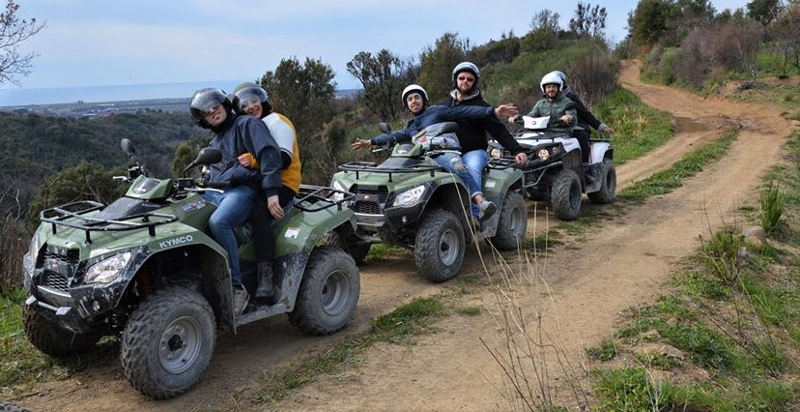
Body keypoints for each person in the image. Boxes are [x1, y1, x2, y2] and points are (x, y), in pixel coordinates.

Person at [352, 84, 519, 223]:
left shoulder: (437, 111)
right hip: (423, 158)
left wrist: (493, 111)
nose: (413, 101)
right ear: (407, 105)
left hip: (443, 152)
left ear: (424, 100)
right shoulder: (411, 126)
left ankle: (480, 203)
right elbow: (394, 135)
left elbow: (465, 111)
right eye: (409, 99)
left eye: (416, 97)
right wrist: (371, 142)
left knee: (459, 167)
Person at [189, 87, 283, 315]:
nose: (212, 111)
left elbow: (270, 155)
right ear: (203, 119)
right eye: (206, 111)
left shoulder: (247, 124)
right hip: (216, 191)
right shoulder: (215, 142)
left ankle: (236, 286)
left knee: (219, 221)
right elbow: (211, 173)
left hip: (242, 190)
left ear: (224, 104)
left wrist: (272, 192)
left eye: (215, 105)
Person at [230, 82, 301, 301]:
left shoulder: (277, 122)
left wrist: (251, 160)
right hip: (257, 183)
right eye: (245, 104)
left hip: (283, 184)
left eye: (254, 100)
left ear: (263, 100)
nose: (251, 106)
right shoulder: (247, 128)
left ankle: (266, 278)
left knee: (258, 212)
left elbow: (283, 159)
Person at [438, 62, 528, 220]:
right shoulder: (444, 106)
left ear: (474, 82)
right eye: (461, 78)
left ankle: (475, 215)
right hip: (447, 152)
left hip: (473, 152)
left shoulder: (482, 107)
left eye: (469, 79)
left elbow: (499, 131)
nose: (465, 81)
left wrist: (517, 150)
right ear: (455, 80)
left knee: (471, 169)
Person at [546, 70, 614, 162]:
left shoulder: (570, 97)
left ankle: (584, 164)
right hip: (555, 129)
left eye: (554, 85)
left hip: (577, 126)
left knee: (581, 136)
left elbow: (584, 113)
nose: (551, 88)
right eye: (549, 86)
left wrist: (601, 127)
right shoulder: (546, 101)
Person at [510, 72, 577, 135]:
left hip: (563, 134)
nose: (551, 89)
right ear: (544, 89)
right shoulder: (540, 104)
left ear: (559, 88)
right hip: (543, 135)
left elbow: (573, 118)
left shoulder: (567, 102)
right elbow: (530, 117)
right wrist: (517, 118)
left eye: (554, 86)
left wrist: (569, 118)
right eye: (548, 87)